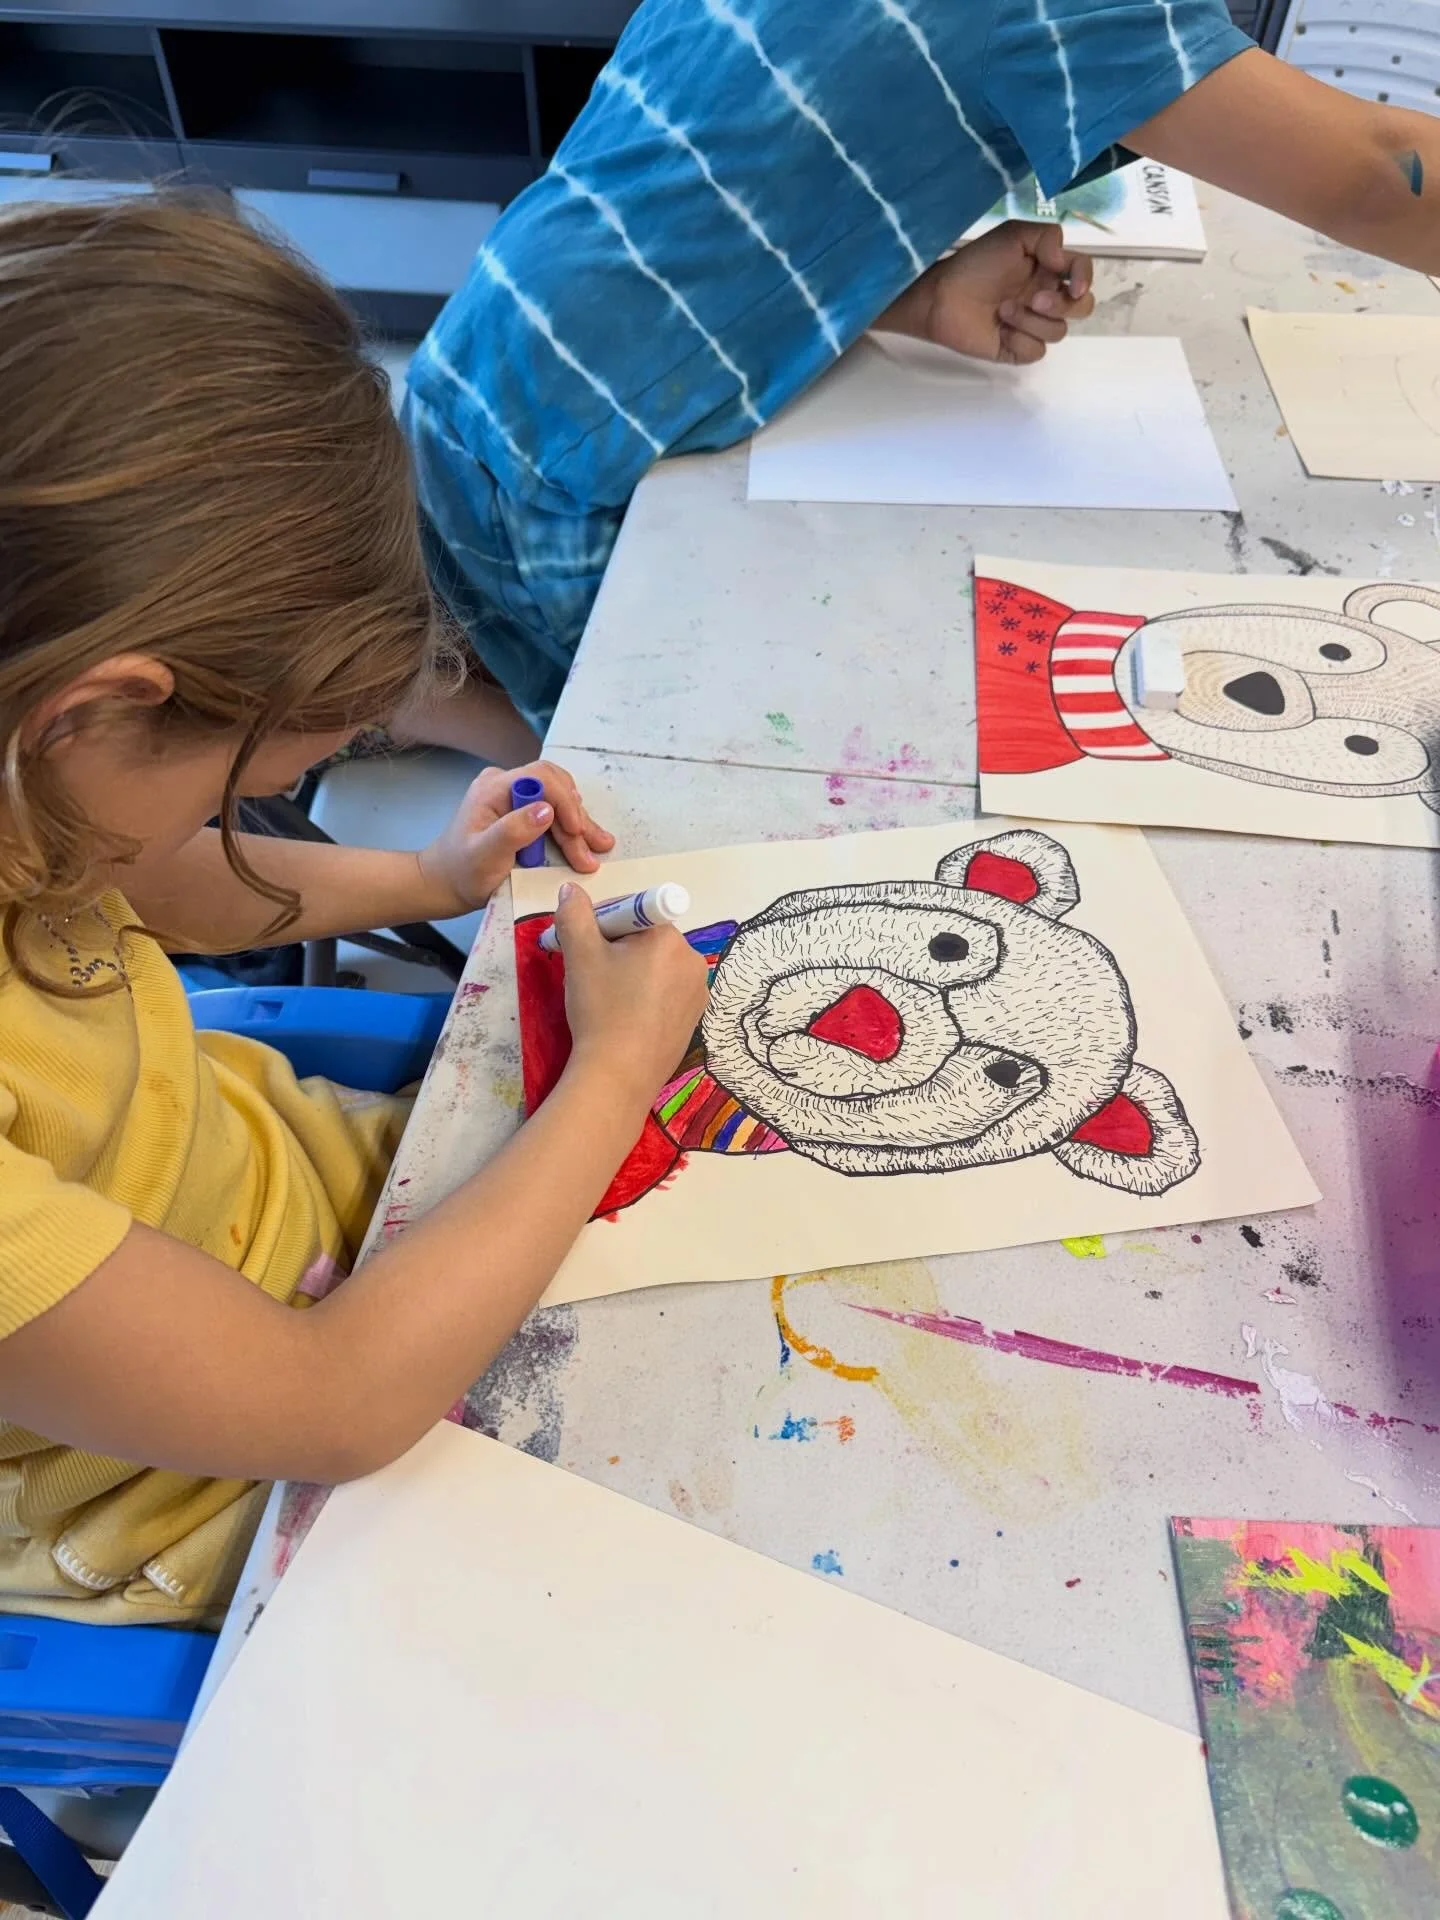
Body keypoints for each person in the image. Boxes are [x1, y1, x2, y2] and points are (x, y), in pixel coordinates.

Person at [0, 195, 709, 1623]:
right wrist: (618, 1073)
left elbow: (140, 872)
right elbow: (332, 1405)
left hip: (316, 1203)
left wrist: (431, 881)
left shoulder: (33, 786)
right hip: (191, 1495)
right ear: (95, 716)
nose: (244, 817)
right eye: (256, 780)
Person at [404, 0, 1440, 754]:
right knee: (648, 782)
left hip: (503, 358)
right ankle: (402, 712)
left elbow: (733, 182)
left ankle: (406, 699)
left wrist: (918, 296)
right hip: (567, 450)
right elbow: (1373, 175)